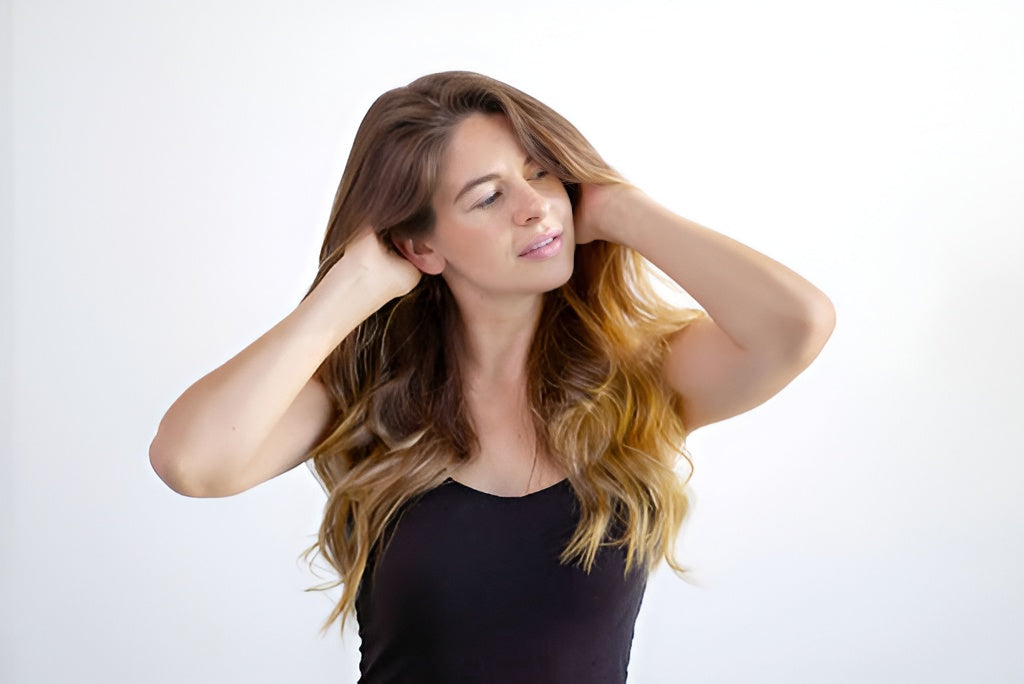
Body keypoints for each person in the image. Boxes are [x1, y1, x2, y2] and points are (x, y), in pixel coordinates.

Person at [149, 71, 835, 682]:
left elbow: (798, 325)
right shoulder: (367, 402)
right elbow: (190, 461)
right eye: (487, 197)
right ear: (421, 245)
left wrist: (622, 210)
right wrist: (349, 285)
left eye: (541, 174)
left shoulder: (638, 383)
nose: (534, 206)